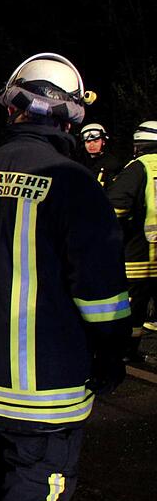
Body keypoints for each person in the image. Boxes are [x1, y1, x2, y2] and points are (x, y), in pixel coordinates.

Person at [0, 53, 129, 501]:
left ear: (13, 107)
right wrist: (112, 354)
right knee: (37, 486)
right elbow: (101, 296)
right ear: (70, 114)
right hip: (49, 388)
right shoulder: (72, 182)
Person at [106, 120, 157, 361]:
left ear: (138, 145)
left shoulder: (138, 168)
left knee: (134, 309)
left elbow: (115, 207)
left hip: (140, 254)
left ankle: (129, 354)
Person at [78, 123, 123, 188]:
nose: (92, 145)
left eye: (96, 141)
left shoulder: (113, 164)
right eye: (88, 142)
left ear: (103, 142)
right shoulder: (80, 163)